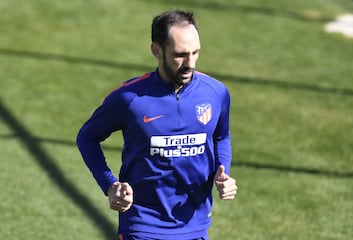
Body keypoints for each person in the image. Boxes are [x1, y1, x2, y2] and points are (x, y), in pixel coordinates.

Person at [77, 9, 237, 240]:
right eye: (180, 55)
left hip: (195, 224)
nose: (189, 63)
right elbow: (87, 137)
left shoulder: (216, 93)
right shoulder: (129, 98)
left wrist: (224, 173)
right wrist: (110, 186)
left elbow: (221, 136)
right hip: (143, 225)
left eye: (195, 53)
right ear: (157, 50)